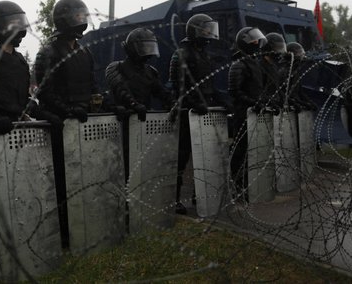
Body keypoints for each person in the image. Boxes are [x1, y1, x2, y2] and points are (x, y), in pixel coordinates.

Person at [0, 0, 59, 269]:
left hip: (16, 131)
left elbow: (21, 98)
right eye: (12, 23)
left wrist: (39, 111)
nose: (18, 28)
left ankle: (14, 243)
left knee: (17, 188)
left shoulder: (18, 60)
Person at [33, 0, 98, 248]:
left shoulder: (85, 51)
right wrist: (68, 110)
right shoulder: (48, 52)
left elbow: (92, 84)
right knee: (61, 179)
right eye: (77, 16)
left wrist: (97, 104)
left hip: (84, 122)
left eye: (84, 16)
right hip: (61, 124)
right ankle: (62, 231)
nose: (81, 21)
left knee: (85, 174)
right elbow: (45, 92)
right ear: (65, 19)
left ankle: (83, 223)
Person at [168, 13, 220, 214]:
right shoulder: (182, 53)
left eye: (210, 29)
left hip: (203, 111)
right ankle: (174, 199)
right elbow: (178, 86)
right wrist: (192, 103)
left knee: (203, 155)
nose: (209, 33)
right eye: (206, 29)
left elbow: (210, 84)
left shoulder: (205, 55)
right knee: (181, 157)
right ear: (196, 30)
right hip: (186, 111)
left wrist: (220, 101)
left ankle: (199, 195)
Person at [227, 27, 267, 196]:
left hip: (254, 112)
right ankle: (236, 183)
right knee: (240, 149)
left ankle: (247, 183)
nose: (256, 43)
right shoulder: (239, 64)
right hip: (242, 113)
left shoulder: (254, 63)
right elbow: (235, 91)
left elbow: (258, 89)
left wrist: (261, 102)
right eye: (252, 40)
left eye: (257, 40)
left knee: (252, 149)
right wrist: (252, 103)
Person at [105, 27, 172, 119]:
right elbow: (121, 89)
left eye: (149, 48)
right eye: (144, 48)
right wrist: (134, 104)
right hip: (122, 119)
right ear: (132, 48)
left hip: (142, 119)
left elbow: (161, 92)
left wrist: (173, 103)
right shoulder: (116, 67)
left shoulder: (150, 71)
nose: (147, 53)